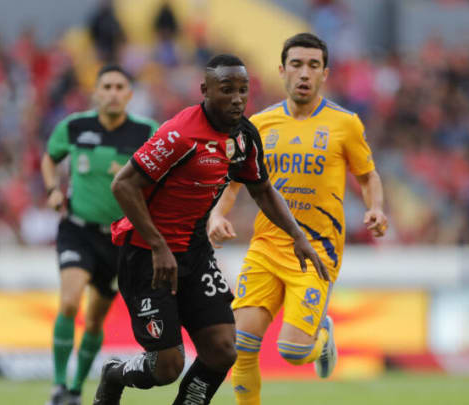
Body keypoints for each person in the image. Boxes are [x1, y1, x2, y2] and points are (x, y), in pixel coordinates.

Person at [93, 54, 328, 405]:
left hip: (194, 251)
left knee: (222, 349)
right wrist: (159, 247)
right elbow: (123, 186)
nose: (237, 98)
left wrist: (298, 236)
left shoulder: (245, 136)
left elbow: (262, 188)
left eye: (243, 90)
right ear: (205, 90)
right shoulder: (179, 134)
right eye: (227, 90)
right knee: (167, 366)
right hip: (147, 252)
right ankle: (114, 373)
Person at [207, 33, 388, 405]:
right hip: (266, 247)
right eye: (296, 64)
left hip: (316, 252)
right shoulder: (258, 124)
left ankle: (321, 338)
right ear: (282, 70)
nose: (304, 73)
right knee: (239, 346)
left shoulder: (345, 124)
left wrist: (376, 207)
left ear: (325, 74)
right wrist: (216, 215)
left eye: (313, 65)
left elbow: (367, 175)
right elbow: (235, 178)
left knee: (291, 352)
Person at [41, 65, 158, 405]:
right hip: (78, 230)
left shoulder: (146, 132)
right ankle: (58, 386)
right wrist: (52, 189)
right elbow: (49, 160)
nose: (113, 92)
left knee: (94, 320)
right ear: (96, 92)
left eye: (120, 86)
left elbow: (161, 174)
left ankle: (76, 389)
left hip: (120, 240)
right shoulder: (75, 126)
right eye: (106, 85)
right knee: (69, 301)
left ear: (130, 94)